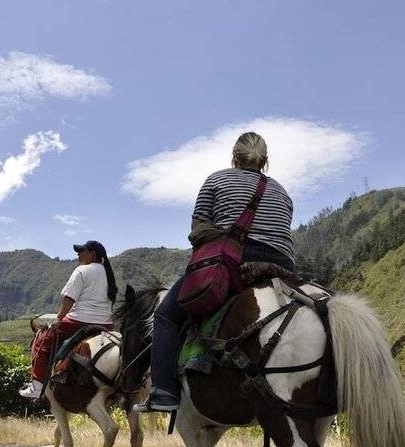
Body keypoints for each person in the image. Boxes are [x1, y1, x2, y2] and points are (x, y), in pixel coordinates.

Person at [134, 131, 295, 412]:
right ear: (265, 161)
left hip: (237, 263)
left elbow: (197, 232)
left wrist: (224, 234)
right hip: (282, 269)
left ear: (234, 157)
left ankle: (164, 393)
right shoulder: (282, 192)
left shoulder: (217, 179)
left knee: (166, 315)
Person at [19, 240, 119, 398]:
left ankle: (37, 385)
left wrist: (59, 318)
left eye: (82, 251)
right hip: (106, 324)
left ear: (93, 253)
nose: (78, 254)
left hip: (80, 320)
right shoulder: (108, 273)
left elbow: (70, 298)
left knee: (42, 341)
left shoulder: (82, 270)